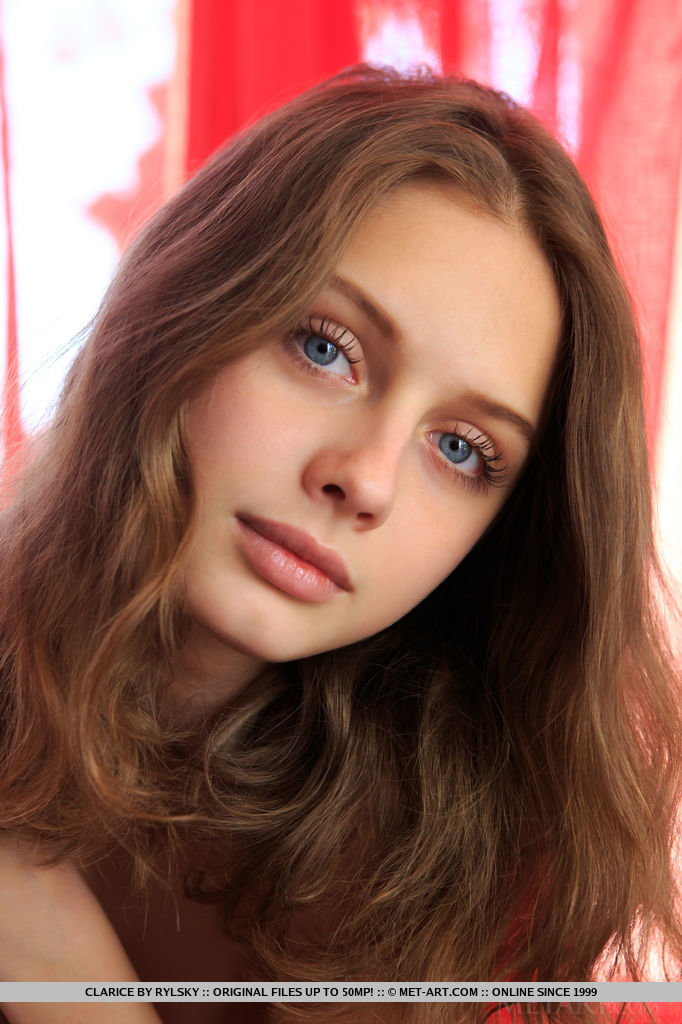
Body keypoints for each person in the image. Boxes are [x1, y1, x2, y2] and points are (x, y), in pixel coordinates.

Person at [0, 63, 679, 1024]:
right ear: (184, 302)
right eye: (326, 348)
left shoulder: (448, 863)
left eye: (461, 449)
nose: (364, 480)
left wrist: (61, 972)